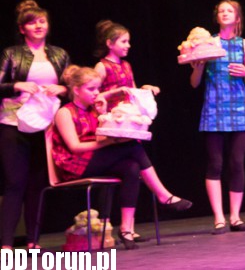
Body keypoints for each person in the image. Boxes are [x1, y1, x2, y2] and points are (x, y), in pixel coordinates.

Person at [53, 65, 191, 249]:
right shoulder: (65, 112)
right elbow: (75, 147)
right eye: (91, 89)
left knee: (132, 167)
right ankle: (163, 195)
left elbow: (102, 135)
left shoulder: (94, 109)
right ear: (76, 90)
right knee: (132, 147)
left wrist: (103, 115)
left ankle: (126, 229)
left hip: (95, 159)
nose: (96, 93)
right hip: (75, 165)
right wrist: (110, 142)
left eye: (98, 88)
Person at [0, 0, 68, 249]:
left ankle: (32, 240)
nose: (38, 26)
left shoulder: (59, 54)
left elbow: (74, 86)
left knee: (37, 184)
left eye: (42, 21)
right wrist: (16, 85)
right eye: (31, 22)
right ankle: (6, 244)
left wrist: (62, 89)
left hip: (45, 126)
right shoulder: (11, 54)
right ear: (22, 29)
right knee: (15, 183)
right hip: (13, 123)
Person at [189, 0, 245, 235]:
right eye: (221, 11)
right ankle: (219, 218)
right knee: (215, 163)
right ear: (217, 17)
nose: (225, 13)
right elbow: (194, 83)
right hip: (214, 107)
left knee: (237, 162)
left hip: (239, 108)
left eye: (230, 11)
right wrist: (198, 66)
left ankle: (235, 216)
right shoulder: (208, 43)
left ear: (237, 17)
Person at [94, 20, 160, 110]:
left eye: (128, 42)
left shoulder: (126, 65)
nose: (128, 45)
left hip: (128, 112)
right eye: (124, 42)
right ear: (110, 44)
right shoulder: (102, 66)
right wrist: (115, 92)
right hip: (110, 114)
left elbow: (132, 92)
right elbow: (94, 97)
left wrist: (144, 89)